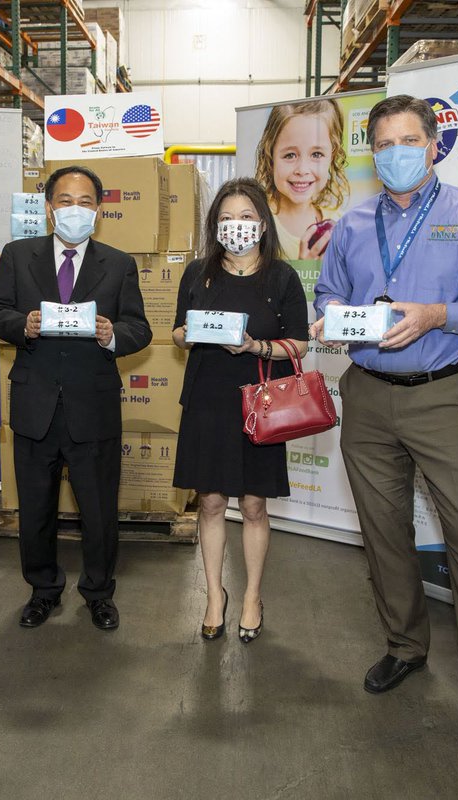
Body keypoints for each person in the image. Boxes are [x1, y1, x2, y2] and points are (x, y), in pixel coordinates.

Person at [311, 94, 458, 757]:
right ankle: (406, 647)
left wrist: (438, 315)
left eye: (408, 141)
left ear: (434, 145)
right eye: (382, 145)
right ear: (371, 153)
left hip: (443, 396)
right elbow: (327, 293)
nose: (395, 154)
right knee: (384, 536)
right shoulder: (351, 225)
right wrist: (329, 317)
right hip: (368, 396)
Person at [0, 165, 152, 631]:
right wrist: (24, 325)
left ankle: (99, 592)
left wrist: (111, 334)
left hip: (92, 408)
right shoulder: (19, 257)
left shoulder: (118, 264)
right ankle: (42, 590)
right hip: (35, 404)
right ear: (48, 207)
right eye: (64, 200)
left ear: (98, 211)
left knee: (99, 511)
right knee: (35, 508)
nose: (73, 209)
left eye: (84, 202)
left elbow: (140, 329)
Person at [172, 177, 309, 644]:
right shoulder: (198, 273)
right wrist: (187, 334)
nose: (237, 226)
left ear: (263, 225)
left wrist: (256, 346)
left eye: (246, 217)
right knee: (210, 502)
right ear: (215, 225)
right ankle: (215, 595)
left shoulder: (282, 278)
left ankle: (251, 595)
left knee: (253, 504)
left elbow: (300, 344)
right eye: (227, 218)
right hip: (208, 398)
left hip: (260, 404)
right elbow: (176, 331)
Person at [255, 98, 349, 260]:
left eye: (316, 154)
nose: (302, 170)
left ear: (332, 157)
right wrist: (305, 267)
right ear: (270, 156)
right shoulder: (259, 224)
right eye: (290, 155)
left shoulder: (340, 222)